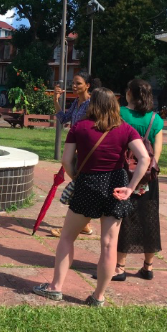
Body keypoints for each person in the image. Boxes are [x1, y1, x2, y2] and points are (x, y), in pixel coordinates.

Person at [32, 87, 149, 307]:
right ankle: (99, 296)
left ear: (92, 104)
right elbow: (143, 158)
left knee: (67, 237)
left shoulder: (80, 127)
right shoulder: (125, 129)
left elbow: (67, 159)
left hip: (87, 184)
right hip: (116, 186)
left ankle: (56, 287)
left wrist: (75, 176)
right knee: (108, 244)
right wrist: (131, 188)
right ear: (114, 105)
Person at [112, 79, 164, 281]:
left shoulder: (120, 114)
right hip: (147, 177)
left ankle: (119, 267)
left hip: (123, 173)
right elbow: (157, 153)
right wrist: (145, 173)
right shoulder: (155, 119)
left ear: (130, 94)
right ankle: (148, 267)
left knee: (122, 218)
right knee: (149, 219)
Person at [49, 71, 100, 237]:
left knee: (81, 188)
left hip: (87, 150)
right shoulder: (76, 103)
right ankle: (85, 224)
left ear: (87, 85)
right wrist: (55, 101)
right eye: (73, 83)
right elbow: (64, 119)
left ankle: (76, 226)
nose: (74, 86)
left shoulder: (92, 104)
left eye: (78, 83)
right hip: (76, 150)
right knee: (80, 186)